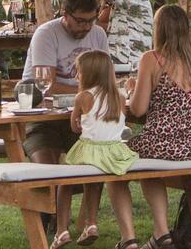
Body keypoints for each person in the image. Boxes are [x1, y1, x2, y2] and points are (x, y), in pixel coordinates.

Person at [126, 4, 191, 249]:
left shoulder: (152, 59)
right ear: (186, 28)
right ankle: (160, 236)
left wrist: (133, 89)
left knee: (135, 154)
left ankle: (162, 232)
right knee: (145, 156)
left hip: (163, 144)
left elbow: (138, 110)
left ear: (159, 30)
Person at [22, 0, 110, 238]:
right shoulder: (46, 34)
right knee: (48, 174)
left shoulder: (98, 34)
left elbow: (103, 78)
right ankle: (50, 218)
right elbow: (46, 84)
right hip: (44, 119)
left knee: (99, 156)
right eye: (80, 21)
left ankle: (83, 222)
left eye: (91, 20)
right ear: (65, 14)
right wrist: (86, 91)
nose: (85, 27)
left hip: (83, 118)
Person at [51, 50, 138, 249]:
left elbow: (74, 127)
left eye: (78, 72)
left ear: (88, 74)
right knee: (93, 180)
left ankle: (61, 231)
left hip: (90, 150)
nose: (76, 76)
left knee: (64, 183)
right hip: (115, 153)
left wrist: (80, 120)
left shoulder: (82, 97)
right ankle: (91, 224)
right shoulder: (120, 96)